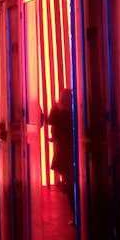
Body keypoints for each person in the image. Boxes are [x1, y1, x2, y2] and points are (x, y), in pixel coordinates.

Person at [48, 88, 75, 220]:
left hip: (63, 150)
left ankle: (75, 214)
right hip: (72, 149)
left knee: (69, 181)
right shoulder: (73, 113)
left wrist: (55, 106)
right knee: (73, 180)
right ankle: (78, 214)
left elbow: (50, 120)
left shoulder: (58, 113)